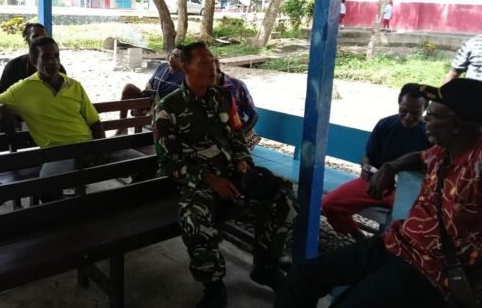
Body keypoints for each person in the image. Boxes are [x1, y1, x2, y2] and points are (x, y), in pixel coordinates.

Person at [274, 78, 482, 308]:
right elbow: (419, 157)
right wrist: (390, 167)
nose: (425, 121)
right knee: (302, 276)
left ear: (455, 124)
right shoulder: (442, 151)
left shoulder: (477, 163)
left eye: (431, 115)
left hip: (429, 271)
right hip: (396, 243)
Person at [154, 42, 297, 308]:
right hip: (198, 183)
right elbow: (168, 163)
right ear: (186, 67)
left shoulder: (222, 97)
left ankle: (266, 265)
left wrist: (243, 161)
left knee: (284, 199)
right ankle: (214, 286)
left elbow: (236, 136)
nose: (212, 67)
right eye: (203, 63)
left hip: (234, 177)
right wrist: (208, 178)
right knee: (193, 218)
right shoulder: (168, 108)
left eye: (212, 61)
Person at [0, 36, 105, 201]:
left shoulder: (74, 85)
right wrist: (0, 108)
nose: (53, 61)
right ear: (34, 61)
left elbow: (94, 122)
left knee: (138, 162)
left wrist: (101, 148)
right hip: (59, 153)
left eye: (56, 56)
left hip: (89, 146)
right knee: (46, 191)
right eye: (46, 57)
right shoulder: (23, 89)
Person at [321, 83, 431, 240]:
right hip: (376, 181)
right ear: (399, 103)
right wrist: (366, 167)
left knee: (410, 219)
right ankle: (359, 238)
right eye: (403, 111)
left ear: (425, 109)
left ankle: (392, 247)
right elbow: (368, 156)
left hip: (406, 189)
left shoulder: (430, 133)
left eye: (416, 113)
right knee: (330, 204)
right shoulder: (385, 125)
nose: (408, 117)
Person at [116, 45, 184, 134]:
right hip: (149, 99)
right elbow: (150, 82)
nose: (172, 57)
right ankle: (122, 127)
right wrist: (148, 87)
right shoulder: (162, 67)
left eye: (176, 56)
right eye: (172, 54)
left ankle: (139, 133)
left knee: (139, 109)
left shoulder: (184, 76)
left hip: (163, 106)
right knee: (128, 88)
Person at [0, 23, 66, 94]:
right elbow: (1, 94)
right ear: (27, 39)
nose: (40, 40)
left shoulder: (57, 67)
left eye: (43, 37)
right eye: (36, 37)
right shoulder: (13, 66)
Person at [215, 59, 260, 150]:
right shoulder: (202, 86)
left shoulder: (237, 85)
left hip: (237, 133)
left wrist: (241, 133)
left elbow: (254, 114)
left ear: (217, 70)